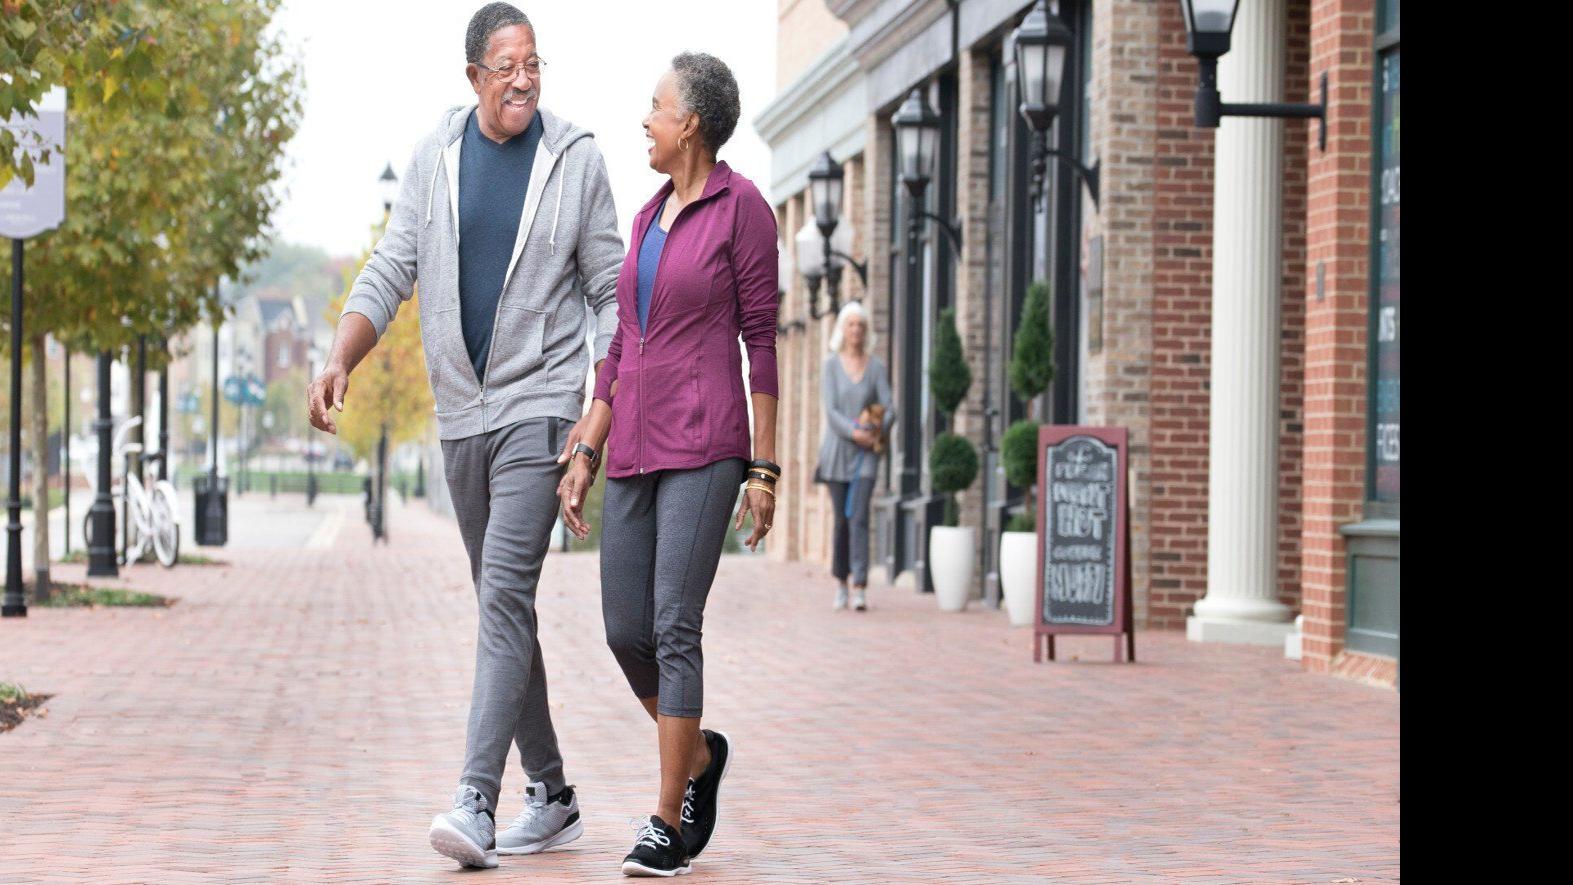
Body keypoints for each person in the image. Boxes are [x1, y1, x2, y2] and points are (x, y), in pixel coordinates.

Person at [306, 2, 624, 870]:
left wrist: (598, 410)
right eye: (506, 65)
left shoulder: (577, 158)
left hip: (542, 406)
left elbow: (610, 294)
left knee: (502, 594)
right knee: (502, 605)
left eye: (534, 63)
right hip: (461, 416)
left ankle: (476, 799)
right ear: (474, 76)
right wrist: (343, 354)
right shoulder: (435, 156)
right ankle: (552, 795)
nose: (523, 78)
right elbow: (390, 265)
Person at [557, 51, 778, 877]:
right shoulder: (648, 218)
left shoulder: (741, 209)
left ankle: (663, 820)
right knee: (624, 628)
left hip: (709, 442)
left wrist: (764, 467)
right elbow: (619, 345)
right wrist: (587, 447)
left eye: (655, 107)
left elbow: (762, 341)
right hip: (637, 449)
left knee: (674, 624)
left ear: (690, 123)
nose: (643, 120)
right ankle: (699, 754)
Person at [816, 299, 894, 611]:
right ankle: (841, 583)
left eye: (860, 325)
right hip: (837, 454)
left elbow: (890, 408)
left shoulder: (876, 368)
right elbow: (831, 410)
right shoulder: (831, 366)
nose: (856, 330)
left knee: (859, 517)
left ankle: (860, 584)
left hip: (866, 457)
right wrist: (854, 431)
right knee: (841, 522)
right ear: (842, 330)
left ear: (866, 331)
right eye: (851, 324)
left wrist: (873, 431)